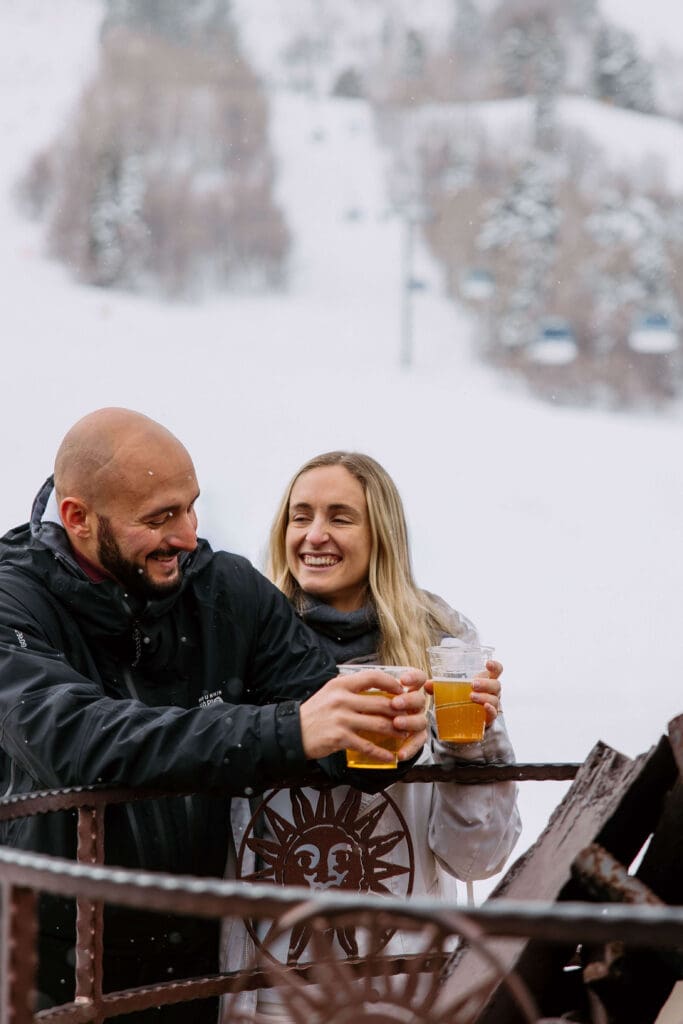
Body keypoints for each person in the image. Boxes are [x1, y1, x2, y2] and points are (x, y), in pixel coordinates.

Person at [0, 410, 428, 1023]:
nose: (186, 535)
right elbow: (75, 739)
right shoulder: (12, 601)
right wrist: (290, 730)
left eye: (191, 507)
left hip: (195, 960)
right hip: (50, 965)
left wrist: (389, 734)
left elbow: (329, 725)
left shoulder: (226, 590)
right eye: (159, 518)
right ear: (78, 518)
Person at [230, 450, 521, 1019]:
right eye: (300, 516)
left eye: (340, 517)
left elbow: (476, 858)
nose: (315, 535)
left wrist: (473, 746)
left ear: (381, 534)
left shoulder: (441, 644)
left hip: (402, 982)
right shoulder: (247, 638)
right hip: (272, 982)